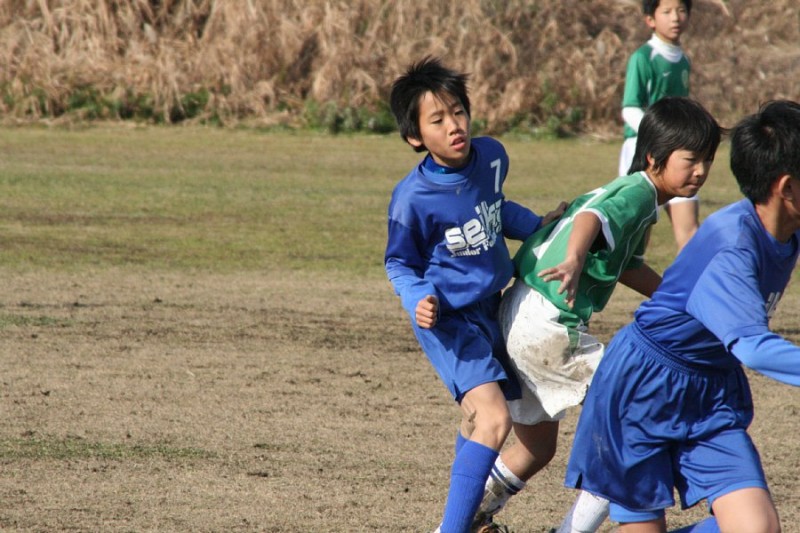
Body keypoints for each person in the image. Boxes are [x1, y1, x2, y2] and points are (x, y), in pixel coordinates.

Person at [473, 96, 722, 533]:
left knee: (536, 448)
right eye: (691, 159)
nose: (700, 171)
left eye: (708, 160)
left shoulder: (638, 198)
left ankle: (465, 517)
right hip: (547, 323)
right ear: (654, 157)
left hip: (522, 312)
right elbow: (591, 216)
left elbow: (626, 266)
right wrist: (573, 258)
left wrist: (678, 300)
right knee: (634, 420)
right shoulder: (637, 194)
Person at [565, 99, 800, 532]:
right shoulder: (733, 246)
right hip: (641, 388)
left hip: (710, 394)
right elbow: (753, 347)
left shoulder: (784, 226)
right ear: (786, 188)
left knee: (758, 527)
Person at [384, 56, 565, 533]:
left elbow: (495, 208)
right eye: (437, 120)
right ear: (415, 136)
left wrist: (536, 225)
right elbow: (399, 263)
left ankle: (467, 521)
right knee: (494, 419)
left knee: (478, 422)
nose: (454, 126)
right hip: (447, 319)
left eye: (458, 112)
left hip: (492, 307)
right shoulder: (412, 198)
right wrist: (417, 298)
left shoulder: (491, 156)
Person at [619, 0, 698, 251]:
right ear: (650, 20)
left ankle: (694, 277)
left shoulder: (683, 60)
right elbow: (630, 108)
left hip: (678, 151)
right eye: (667, 12)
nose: (675, 17)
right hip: (645, 149)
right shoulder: (643, 58)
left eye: (681, 10)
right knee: (637, 234)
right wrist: (662, 135)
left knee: (690, 232)